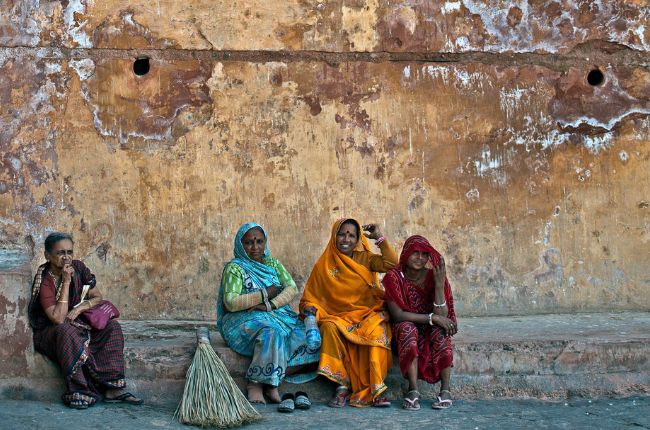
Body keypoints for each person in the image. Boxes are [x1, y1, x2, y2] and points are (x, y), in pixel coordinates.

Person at [27, 232, 142, 409]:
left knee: (112, 328)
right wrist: (66, 281)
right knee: (67, 331)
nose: (67, 258)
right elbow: (58, 319)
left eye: (69, 252)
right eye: (60, 253)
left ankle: (112, 388)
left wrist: (80, 308)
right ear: (47, 256)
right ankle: (80, 390)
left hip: (78, 323)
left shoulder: (79, 268)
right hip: (50, 333)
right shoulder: (45, 280)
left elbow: (97, 297)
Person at [217, 222, 319, 405]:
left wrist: (270, 304)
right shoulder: (235, 268)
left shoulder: (272, 263)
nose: (255, 247)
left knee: (311, 339)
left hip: (275, 313)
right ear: (240, 245)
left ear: (265, 243)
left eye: (259, 241)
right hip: (241, 318)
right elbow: (231, 303)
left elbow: (291, 288)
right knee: (271, 333)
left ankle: (272, 379)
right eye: (248, 242)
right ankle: (255, 384)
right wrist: (264, 294)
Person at [300, 218, 398, 408]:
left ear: (358, 239)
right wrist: (312, 311)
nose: (346, 239)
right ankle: (341, 385)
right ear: (334, 236)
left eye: (352, 235)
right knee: (328, 327)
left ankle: (376, 387)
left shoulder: (364, 258)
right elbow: (310, 299)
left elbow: (392, 264)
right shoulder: (324, 265)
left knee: (377, 333)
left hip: (368, 313)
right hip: (337, 316)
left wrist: (380, 238)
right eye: (342, 233)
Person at [382, 235, 457, 410]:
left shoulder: (435, 276)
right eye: (415, 253)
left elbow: (443, 315)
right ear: (406, 254)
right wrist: (432, 318)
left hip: (431, 326)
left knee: (441, 332)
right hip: (406, 326)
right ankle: (413, 390)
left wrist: (439, 286)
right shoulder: (394, 277)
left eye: (424, 254)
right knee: (407, 329)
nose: (420, 258)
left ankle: (445, 390)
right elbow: (398, 315)